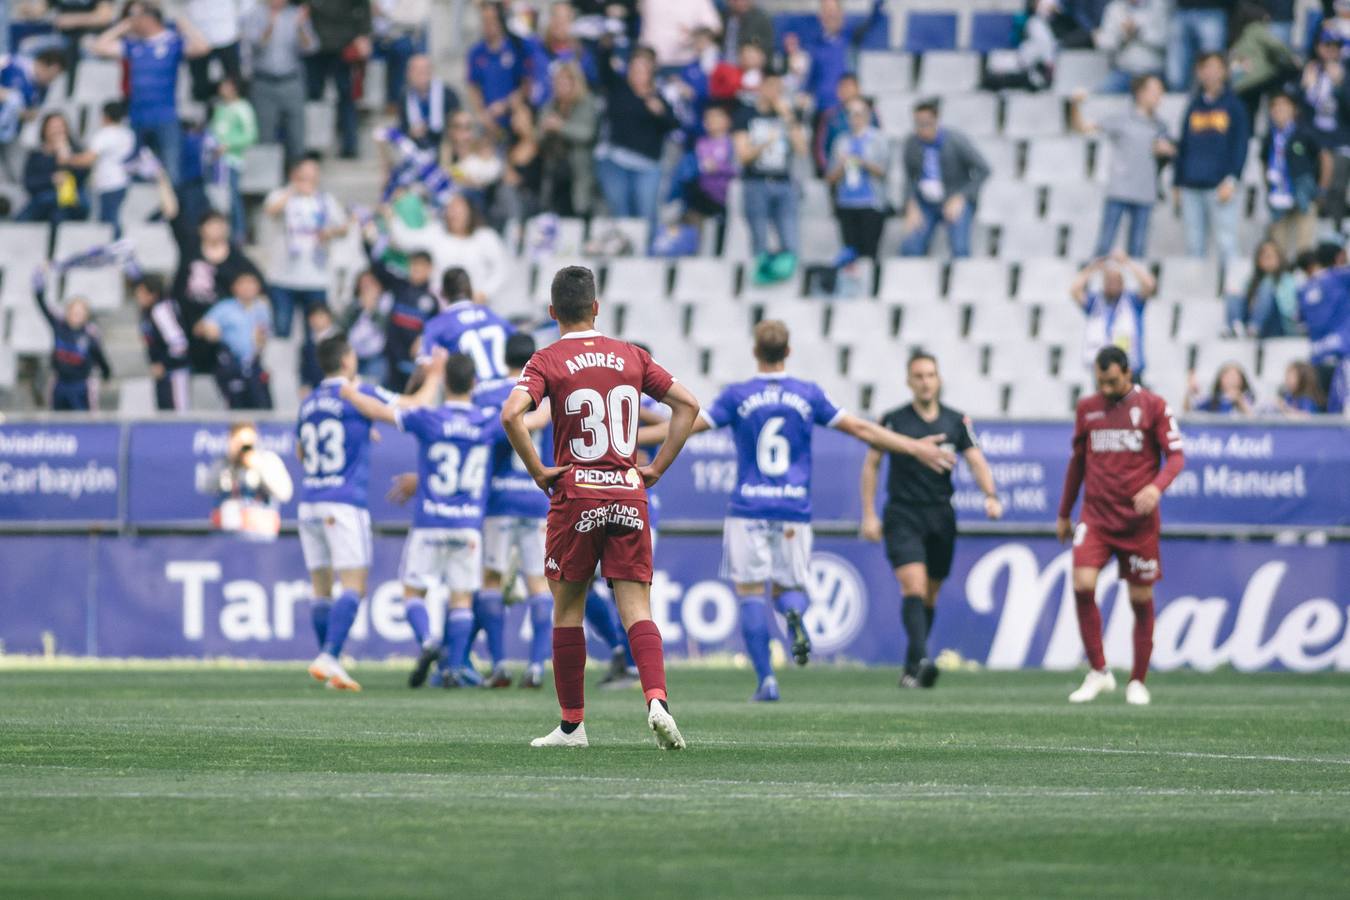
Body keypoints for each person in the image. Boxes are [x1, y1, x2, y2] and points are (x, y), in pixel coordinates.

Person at [639, 320, 957, 703]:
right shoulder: (807, 394)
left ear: (755, 351)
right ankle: (793, 615)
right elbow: (861, 429)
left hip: (748, 507)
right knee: (789, 588)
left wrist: (629, 437)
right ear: (788, 352)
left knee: (750, 592)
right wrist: (914, 446)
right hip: (792, 508)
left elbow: (686, 428)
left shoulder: (736, 396)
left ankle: (766, 681)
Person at [499, 265, 700, 750]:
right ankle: (656, 699)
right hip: (628, 491)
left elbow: (511, 414)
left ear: (552, 313)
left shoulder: (546, 359)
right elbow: (688, 406)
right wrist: (656, 470)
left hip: (576, 493)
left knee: (568, 610)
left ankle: (573, 726)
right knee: (636, 607)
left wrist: (539, 471)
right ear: (596, 307)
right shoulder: (632, 355)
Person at [859, 352, 1002, 690]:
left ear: (938, 379)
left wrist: (991, 495)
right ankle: (923, 660)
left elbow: (976, 460)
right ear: (909, 381)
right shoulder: (893, 420)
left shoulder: (956, 421)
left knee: (930, 596)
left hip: (940, 515)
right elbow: (872, 464)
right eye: (919, 376)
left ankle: (912, 666)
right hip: (903, 514)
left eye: (930, 375)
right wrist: (868, 513)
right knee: (914, 586)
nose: (925, 381)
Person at [1056, 346, 1185, 706]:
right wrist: (1065, 512)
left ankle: (1138, 681)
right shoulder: (1087, 408)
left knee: (1140, 598)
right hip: (1095, 516)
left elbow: (1176, 456)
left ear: (1128, 372)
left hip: (1137, 523)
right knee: (1082, 585)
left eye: (1112, 380)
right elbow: (1077, 463)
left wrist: (1155, 488)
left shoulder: (1154, 406)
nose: (1107, 387)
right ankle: (1098, 671)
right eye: (1101, 381)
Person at [296, 334, 394, 692]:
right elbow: (400, 410)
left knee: (321, 587)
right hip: (343, 500)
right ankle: (330, 655)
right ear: (348, 360)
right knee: (354, 583)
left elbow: (301, 451)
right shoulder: (355, 396)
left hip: (310, 500)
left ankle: (330, 661)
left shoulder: (307, 403)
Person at [474, 333, 556, 689]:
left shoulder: (486, 393)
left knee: (492, 579)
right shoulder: (546, 393)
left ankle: (499, 665)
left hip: (499, 498)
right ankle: (537, 665)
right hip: (537, 497)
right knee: (538, 583)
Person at [91, 2, 211, 186]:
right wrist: (124, 26)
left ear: (148, 18)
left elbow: (203, 47)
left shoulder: (172, 42)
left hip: (165, 116)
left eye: (135, 16)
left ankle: (172, 210)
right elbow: (98, 46)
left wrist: (182, 22)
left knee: (172, 172)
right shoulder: (133, 45)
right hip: (136, 116)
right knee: (130, 170)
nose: (132, 20)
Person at [1071, 76, 1174, 259]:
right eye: (1155, 91)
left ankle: (1133, 286)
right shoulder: (1121, 119)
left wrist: (1168, 151)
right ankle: (1094, 284)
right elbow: (1083, 128)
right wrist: (1075, 105)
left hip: (1145, 192)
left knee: (1138, 250)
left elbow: (1172, 153)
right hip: (1119, 190)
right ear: (1140, 93)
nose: (1159, 96)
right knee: (1104, 245)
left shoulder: (1161, 126)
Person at [735, 65, 808, 286]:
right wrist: (766, 142)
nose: (776, 91)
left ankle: (779, 280)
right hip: (756, 182)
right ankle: (761, 281)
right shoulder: (746, 114)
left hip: (783, 182)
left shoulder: (786, 114)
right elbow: (743, 155)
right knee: (759, 241)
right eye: (771, 86)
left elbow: (802, 149)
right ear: (761, 86)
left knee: (790, 242)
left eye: (779, 87)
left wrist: (788, 116)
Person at [593, 42, 677, 231]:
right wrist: (606, 44)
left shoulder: (658, 97)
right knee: (620, 213)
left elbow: (673, 125)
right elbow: (603, 68)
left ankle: (644, 256)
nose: (638, 73)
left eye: (643, 69)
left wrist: (660, 113)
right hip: (615, 161)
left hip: (646, 164)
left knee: (645, 213)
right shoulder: (618, 89)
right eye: (634, 67)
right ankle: (624, 253)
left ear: (651, 72)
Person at [262, 156, 349, 339]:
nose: (310, 177)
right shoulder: (281, 195)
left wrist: (329, 233)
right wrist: (293, 190)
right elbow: (271, 210)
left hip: (316, 277)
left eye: (314, 172)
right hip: (282, 277)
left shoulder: (325, 200)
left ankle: (312, 367)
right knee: (281, 331)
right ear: (295, 173)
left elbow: (343, 227)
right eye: (306, 172)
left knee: (316, 334)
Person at [1174, 53, 1249, 261]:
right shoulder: (1193, 106)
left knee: (1227, 242)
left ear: (1224, 72)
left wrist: (1233, 178)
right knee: (1193, 245)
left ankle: (1232, 290)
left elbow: (1240, 145)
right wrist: (1177, 182)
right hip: (1191, 184)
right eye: (1205, 67)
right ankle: (1194, 291)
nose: (1210, 73)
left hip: (1220, 184)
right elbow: (1184, 145)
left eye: (1215, 67)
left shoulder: (1234, 106)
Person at [171, 209, 266, 373]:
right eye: (211, 225)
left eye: (219, 225)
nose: (215, 230)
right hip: (187, 317)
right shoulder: (190, 248)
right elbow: (173, 216)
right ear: (201, 229)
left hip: (222, 322)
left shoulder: (237, 258)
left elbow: (258, 285)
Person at [900, 99, 990, 260]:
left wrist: (961, 197)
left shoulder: (955, 141)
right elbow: (910, 176)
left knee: (960, 249)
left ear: (936, 120)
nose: (922, 128)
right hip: (925, 203)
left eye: (926, 123)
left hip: (954, 199)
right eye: (918, 123)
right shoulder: (912, 144)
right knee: (910, 248)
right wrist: (911, 204)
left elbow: (984, 169)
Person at [358, 222, 440, 393]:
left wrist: (424, 342)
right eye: (413, 265)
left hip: (416, 365)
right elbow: (377, 266)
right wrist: (368, 241)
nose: (416, 269)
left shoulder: (433, 300)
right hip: (391, 361)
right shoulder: (399, 285)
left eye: (421, 266)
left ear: (429, 269)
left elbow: (436, 331)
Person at [386, 193, 507, 299]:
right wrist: (392, 217)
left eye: (459, 209)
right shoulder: (436, 233)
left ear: (470, 211)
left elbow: (501, 269)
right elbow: (406, 241)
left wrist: (485, 293)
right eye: (451, 208)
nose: (454, 214)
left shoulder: (485, 237)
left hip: (475, 305)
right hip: (441, 307)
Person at [242, 0, 317, 167]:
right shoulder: (254, 14)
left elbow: (310, 48)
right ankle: (268, 185)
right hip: (264, 82)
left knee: (297, 134)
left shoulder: (296, 14)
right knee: (265, 137)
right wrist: (270, 25)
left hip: (291, 80)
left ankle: (298, 183)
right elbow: (255, 46)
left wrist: (300, 27)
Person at [419, 266, 516, 389]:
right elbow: (520, 347)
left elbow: (425, 368)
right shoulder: (492, 315)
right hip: (509, 393)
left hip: (473, 397)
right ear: (471, 290)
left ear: (443, 293)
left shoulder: (436, 325)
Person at [196, 420, 294, 541]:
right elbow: (206, 487)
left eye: (247, 444)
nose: (244, 449)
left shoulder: (267, 460)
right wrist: (230, 462)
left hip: (261, 532)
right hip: (228, 534)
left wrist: (258, 467)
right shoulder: (223, 463)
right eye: (239, 443)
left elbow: (285, 493)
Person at [1261, 90, 1329, 258]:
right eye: (1274, 106)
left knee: (1304, 246)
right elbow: (1263, 161)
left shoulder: (1304, 131)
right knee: (1278, 245)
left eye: (1283, 105)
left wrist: (1322, 188)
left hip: (1303, 193)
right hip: (1278, 195)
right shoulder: (1270, 136)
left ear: (1294, 109)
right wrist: (1269, 185)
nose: (1278, 110)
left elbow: (1325, 158)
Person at [31, 265, 110, 410]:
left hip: (81, 385)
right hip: (60, 383)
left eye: (80, 312)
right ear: (68, 311)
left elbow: (99, 356)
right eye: (74, 311)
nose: (76, 315)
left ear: (86, 314)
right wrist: (39, 278)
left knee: (83, 423)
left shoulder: (90, 333)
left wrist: (106, 373)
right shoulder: (59, 325)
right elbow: (42, 303)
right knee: (58, 423)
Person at [1071, 252, 1157, 379]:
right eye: (1108, 280)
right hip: (1104, 372)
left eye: (1115, 280)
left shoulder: (1132, 301)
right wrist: (1094, 267)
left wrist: (1127, 263)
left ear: (1122, 283)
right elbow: (1074, 290)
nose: (1112, 284)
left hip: (1130, 371)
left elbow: (1149, 285)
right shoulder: (1096, 302)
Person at [195, 269, 272, 410]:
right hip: (231, 364)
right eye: (243, 284)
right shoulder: (225, 308)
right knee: (237, 408)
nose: (248, 288)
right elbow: (200, 327)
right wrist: (209, 329)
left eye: (251, 284)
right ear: (234, 287)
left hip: (254, 363)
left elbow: (265, 334)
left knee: (263, 406)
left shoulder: (262, 309)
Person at [305, 0, 372, 160]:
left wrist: (363, 34)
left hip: (344, 43)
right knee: (314, 98)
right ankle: (315, 145)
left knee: (347, 95)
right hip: (315, 44)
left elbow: (363, 5)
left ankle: (350, 144)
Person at [826, 96, 888, 264]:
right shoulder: (841, 141)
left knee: (869, 253)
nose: (855, 118)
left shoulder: (878, 140)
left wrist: (863, 162)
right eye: (851, 114)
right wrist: (841, 164)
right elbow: (830, 177)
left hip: (870, 202)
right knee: (850, 253)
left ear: (867, 115)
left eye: (859, 114)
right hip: (846, 202)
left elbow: (885, 171)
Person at [1300, 30, 1350, 229]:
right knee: (1310, 184)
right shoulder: (1311, 71)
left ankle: (1333, 232)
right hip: (1314, 139)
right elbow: (1297, 110)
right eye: (1326, 46)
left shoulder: (1346, 72)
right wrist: (1305, 89)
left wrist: (1339, 86)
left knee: (1336, 187)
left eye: (1335, 47)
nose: (1331, 51)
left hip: (1340, 140)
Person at [537, 60, 598, 218]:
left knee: (579, 215)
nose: (560, 86)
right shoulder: (550, 106)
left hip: (578, 170)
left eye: (564, 81)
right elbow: (538, 137)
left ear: (574, 82)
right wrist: (543, 130)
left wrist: (561, 127)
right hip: (554, 171)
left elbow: (587, 133)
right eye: (557, 82)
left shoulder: (586, 103)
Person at [1295, 242, 1350, 404]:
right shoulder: (1341, 277)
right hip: (1342, 355)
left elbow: (1300, 322)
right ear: (1339, 257)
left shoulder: (1304, 288)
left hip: (1317, 357)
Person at [1227, 1, 1297, 123]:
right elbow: (1277, 46)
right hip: (1258, 78)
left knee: (1251, 111)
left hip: (1241, 85)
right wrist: (1292, 58)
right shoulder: (1255, 28)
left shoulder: (1237, 34)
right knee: (1289, 72)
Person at [209, 76, 258, 242]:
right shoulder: (219, 107)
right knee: (217, 198)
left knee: (233, 197)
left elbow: (250, 135)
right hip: (216, 160)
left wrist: (229, 145)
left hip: (232, 160)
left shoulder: (243, 108)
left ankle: (239, 233)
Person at [18, 111, 89, 225]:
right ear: (44, 129)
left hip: (71, 202)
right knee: (47, 202)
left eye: (60, 126)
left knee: (60, 211)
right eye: (53, 127)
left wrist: (67, 159)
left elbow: (83, 177)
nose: (57, 131)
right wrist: (51, 179)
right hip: (44, 200)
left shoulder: (76, 152)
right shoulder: (36, 155)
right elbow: (29, 183)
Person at [132, 273, 190, 410]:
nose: (138, 297)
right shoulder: (148, 311)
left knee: (177, 414)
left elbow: (180, 344)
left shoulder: (162, 310)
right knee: (165, 415)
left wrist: (164, 364)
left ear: (152, 293)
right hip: (165, 373)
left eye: (141, 293)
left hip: (174, 371)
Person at [1226, 239, 1298, 337]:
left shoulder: (1287, 279)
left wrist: (1267, 299)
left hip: (1276, 323)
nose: (1267, 259)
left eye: (1271, 256)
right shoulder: (1251, 281)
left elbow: (1289, 310)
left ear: (1279, 258)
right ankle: (1236, 328)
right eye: (1264, 255)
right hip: (1251, 319)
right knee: (1233, 294)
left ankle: (1254, 327)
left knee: (1267, 285)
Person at [1093, 0, 1167, 93]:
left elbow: (1166, 40)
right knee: (1099, 95)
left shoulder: (1159, 5)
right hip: (1124, 72)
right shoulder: (1114, 8)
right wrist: (1123, 37)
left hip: (1153, 72)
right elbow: (1105, 44)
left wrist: (1138, 32)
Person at [0, 48, 67, 146]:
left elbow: (34, 114)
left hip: (10, 133)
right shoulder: (10, 63)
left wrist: (19, 111)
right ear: (42, 64)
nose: (51, 80)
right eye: (51, 75)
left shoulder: (43, 88)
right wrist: (6, 96)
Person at [183, 0, 244, 102]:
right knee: (200, 90)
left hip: (227, 34)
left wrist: (238, 24)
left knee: (234, 84)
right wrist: (189, 32)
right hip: (197, 36)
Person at [341, 269, 393, 384]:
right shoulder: (353, 305)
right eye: (363, 284)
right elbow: (343, 327)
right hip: (353, 357)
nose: (367, 287)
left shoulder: (387, 303)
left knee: (370, 392)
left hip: (375, 358)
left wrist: (373, 310)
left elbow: (387, 328)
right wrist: (359, 308)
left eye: (370, 284)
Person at [400, 54, 460, 152]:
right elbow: (403, 126)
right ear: (409, 74)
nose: (422, 74)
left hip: (444, 145)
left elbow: (457, 122)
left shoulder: (448, 94)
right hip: (416, 147)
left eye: (425, 70)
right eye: (417, 71)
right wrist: (411, 132)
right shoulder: (405, 96)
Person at [1166, 0, 1229, 91]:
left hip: (1212, 9)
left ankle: (1215, 103)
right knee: (1177, 77)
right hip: (1181, 9)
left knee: (1213, 71)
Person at [299, 304, 341, 392]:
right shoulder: (308, 343)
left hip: (335, 387)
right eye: (313, 317)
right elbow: (304, 366)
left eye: (320, 316)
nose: (316, 320)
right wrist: (304, 384)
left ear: (329, 317)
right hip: (314, 387)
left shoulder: (339, 340)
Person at [1186, 361, 1255, 414]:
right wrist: (1190, 391)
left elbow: (1253, 418)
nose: (1231, 380)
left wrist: (1239, 400)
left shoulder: (1247, 397)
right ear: (1220, 379)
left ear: (1241, 380)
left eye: (1235, 377)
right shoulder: (1214, 399)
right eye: (1228, 377)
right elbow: (1190, 411)